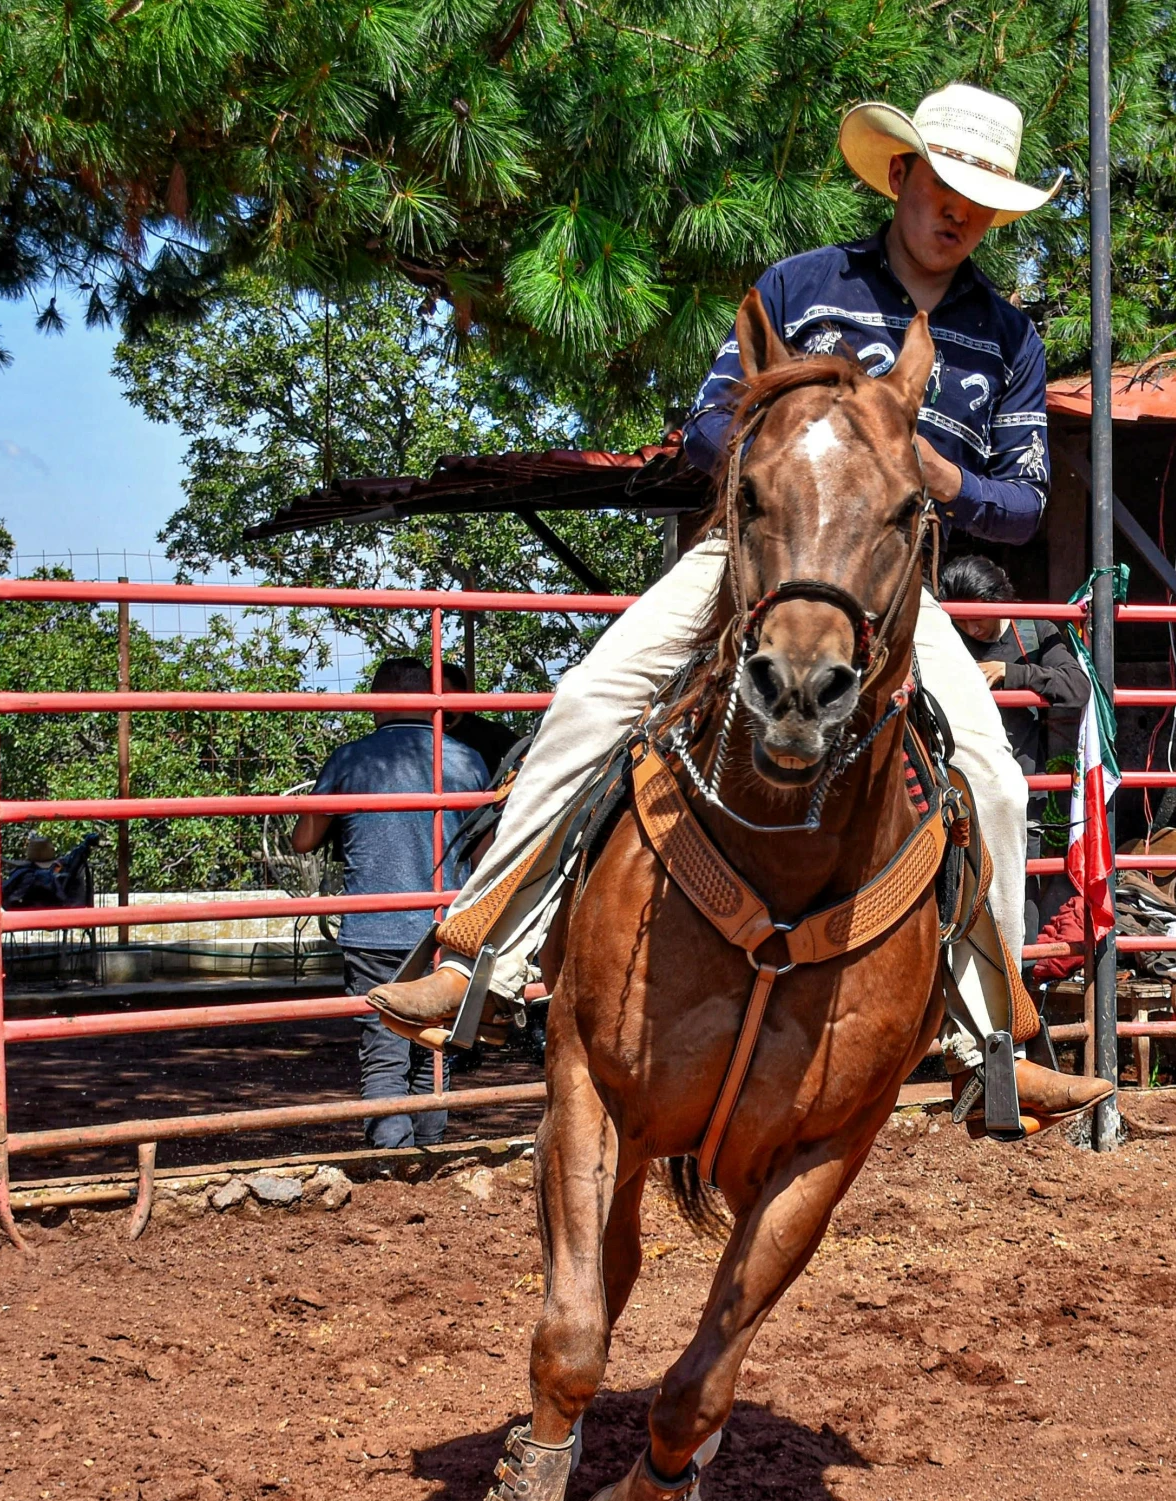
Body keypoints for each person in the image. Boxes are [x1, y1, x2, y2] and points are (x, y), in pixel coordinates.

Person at [367, 83, 1112, 1132]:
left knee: (990, 776)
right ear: (901, 175)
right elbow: (708, 428)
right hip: (749, 555)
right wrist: (798, 437)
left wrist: (937, 476)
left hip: (891, 590)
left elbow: (1026, 505)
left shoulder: (1007, 338)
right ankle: (482, 952)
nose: (959, 215)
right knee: (588, 698)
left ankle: (991, 1040)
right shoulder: (800, 287)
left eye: (982, 204)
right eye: (946, 186)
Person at [294, 657, 491, 1147]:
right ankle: (430, 1151)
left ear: (376, 702)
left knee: (384, 1044)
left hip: (374, 927)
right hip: (446, 929)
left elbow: (303, 840)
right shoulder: (465, 760)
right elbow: (488, 850)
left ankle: (389, 1152)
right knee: (435, 1044)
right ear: (432, 701)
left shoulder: (351, 758)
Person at [940, 553, 1089, 938]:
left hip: (1023, 791)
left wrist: (1013, 674)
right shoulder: (946, 637)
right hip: (959, 788)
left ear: (1000, 599)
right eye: (961, 619)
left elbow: (1077, 687)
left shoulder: (1034, 630)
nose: (971, 627)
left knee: (1019, 891)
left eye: (979, 616)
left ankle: (1019, 987)